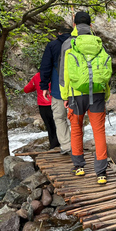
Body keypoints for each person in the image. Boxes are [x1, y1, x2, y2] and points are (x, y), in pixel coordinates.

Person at [60, 11, 111, 184]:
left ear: (74, 25)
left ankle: (80, 166)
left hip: (76, 94)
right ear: (91, 26)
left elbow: (64, 73)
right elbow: (105, 72)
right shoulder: (99, 43)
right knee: (99, 131)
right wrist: (106, 93)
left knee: (76, 129)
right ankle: (101, 173)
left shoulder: (68, 43)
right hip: (97, 93)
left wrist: (64, 95)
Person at [39, 25, 72, 155]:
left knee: (59, 117)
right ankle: (77, 143)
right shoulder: (77, 43)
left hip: (58, 89)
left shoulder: (52, 46)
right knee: (76, 117)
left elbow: (45, 67)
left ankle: (66, 145)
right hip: (76, 89)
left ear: (59, 33)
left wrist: (44, 86)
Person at [24, 72, 59, 149]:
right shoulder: (55, 74)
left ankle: (53, 146)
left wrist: (36, 86)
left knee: (49, 127)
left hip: (43, 106)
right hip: (55, 103)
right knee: (58, 125)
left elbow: (26, 89)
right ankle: (59, 145)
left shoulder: (37, 76)